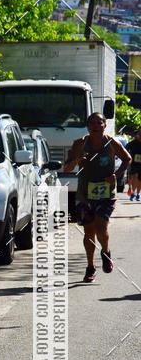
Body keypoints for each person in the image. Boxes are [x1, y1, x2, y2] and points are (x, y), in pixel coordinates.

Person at [64, 112, 131, 283]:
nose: (95, 126)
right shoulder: (80, 143)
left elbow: (127, 159)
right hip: (84, 194)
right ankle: (90, 266)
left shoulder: (111, 142)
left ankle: (106, 252)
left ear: (104, 126)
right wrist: (78, 158)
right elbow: (66, 168)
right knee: (89, 231)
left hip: (106, 193)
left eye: (99, 123)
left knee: (101, 227)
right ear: (87, 127)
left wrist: (116, 175)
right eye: (92, 123)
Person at [126, 127, 141, 201]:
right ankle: (133, 192)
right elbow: (126, 150)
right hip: (134, 163)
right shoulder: (132, 143)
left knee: (140, 179)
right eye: (139, 133)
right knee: (134, 176)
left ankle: (138, 194)